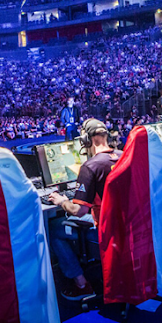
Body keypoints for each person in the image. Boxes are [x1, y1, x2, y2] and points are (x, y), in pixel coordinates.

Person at [48, 119, 122, 300]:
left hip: (105, 230)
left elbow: (78, 211)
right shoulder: (124, 156)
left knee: (54, 228)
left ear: (86, 141)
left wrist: (62, 201)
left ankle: (82, 284)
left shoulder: (90, 167)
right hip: (128, 227)